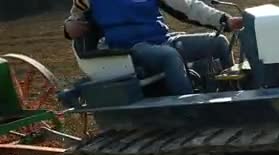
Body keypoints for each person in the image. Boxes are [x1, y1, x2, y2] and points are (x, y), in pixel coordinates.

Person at [63, 0, 243, 95]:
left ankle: (233, 95)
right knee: (169, 57)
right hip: (128, 50)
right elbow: (75, 19)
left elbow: (188, 7)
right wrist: (70, 27)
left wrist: (224, 20)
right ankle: (189, 112)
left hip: (163, 40)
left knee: (219, 43)